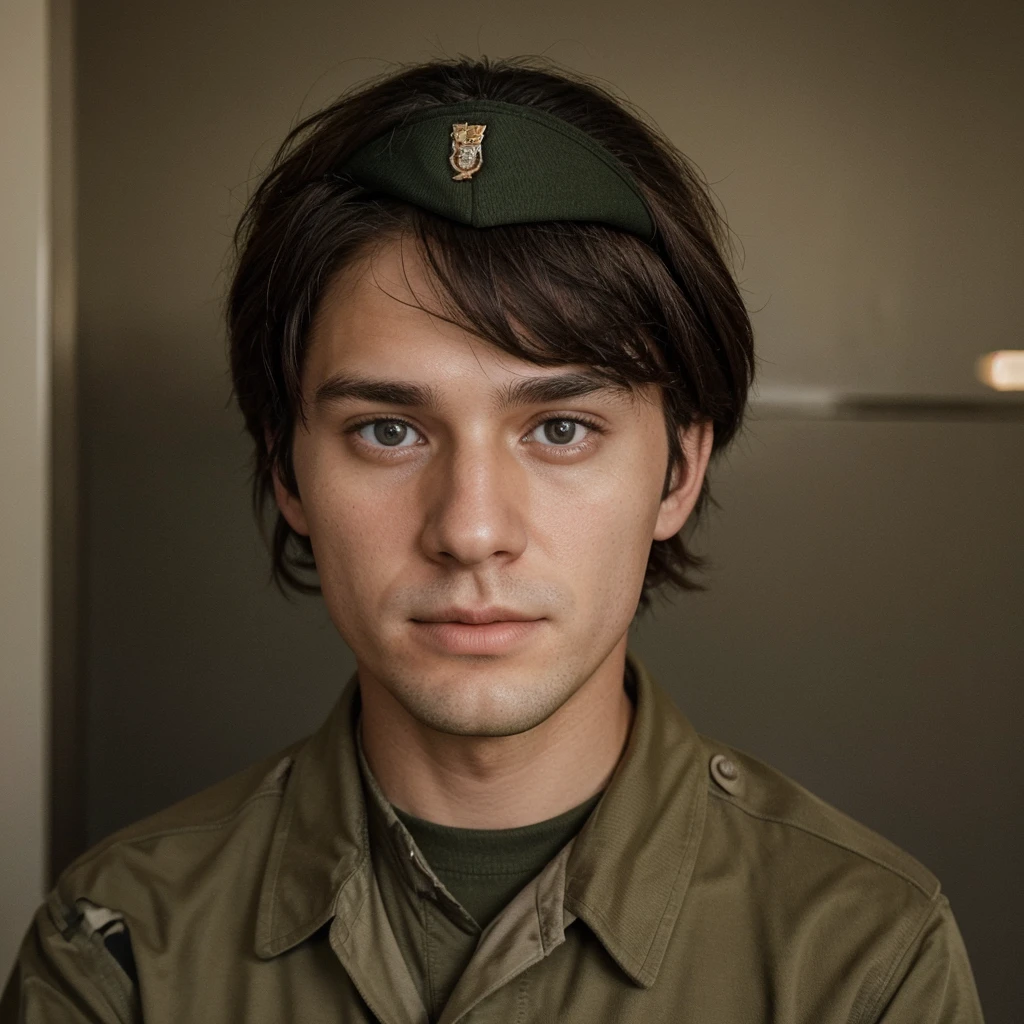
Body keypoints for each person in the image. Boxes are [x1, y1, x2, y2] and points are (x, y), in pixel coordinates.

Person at [1, 56, 984, 1023]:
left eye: (559, 428)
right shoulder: (119, 948)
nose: (471, 530)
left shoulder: (862, 957)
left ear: (679, 472)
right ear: (287, 471)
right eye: (389, 430)